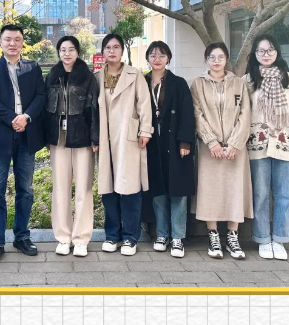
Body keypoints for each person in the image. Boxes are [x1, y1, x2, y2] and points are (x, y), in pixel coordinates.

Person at [0, 24, 47, 263]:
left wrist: (25, 117)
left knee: (25, 190)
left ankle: (22, 236)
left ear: (22, 42)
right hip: (1, 135)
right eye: (8, 39)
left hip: (27, 135)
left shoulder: (33, 67)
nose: (12, 43)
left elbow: (41, 95)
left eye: (17, 39)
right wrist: (12, 118)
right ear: (0, 42)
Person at [244, 34, 289, 261]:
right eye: (261, 51)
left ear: (277, 52)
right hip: (257, 145)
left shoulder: (288, 79)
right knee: (260, 195)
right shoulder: (247, 80)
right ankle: (263, 239)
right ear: (255, 54)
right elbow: (242, 114)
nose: (266, 54)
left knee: (284, 195)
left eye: (270, 50)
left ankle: (280, 239)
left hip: (285, 144)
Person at [190, 42, 253, 260]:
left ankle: (233, 236)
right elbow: (197, 114)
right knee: (210, 191)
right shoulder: (197, 84)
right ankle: (213, 235)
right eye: (212, 57)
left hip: (236, 149)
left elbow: (245, 114)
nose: (216, 61)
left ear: (227, 60)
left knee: (235, 190)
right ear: (206, 60)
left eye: (220, 57)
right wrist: (211, 142)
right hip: (210, 149)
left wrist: (235, 143)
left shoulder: (239, 83)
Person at [95, 33, 153, 256]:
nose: (112, 51)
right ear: (103, 51)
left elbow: (144, 104)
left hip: (128, 138)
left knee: (130, 188)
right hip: (105, 138)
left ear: (122, 51)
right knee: (108, 188)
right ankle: (112, 236)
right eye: (108, 47)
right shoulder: (96, 77)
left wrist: (145, 131)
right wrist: (93, 137)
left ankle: (130, 237)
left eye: (116, 47)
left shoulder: (134, 75)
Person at [43, 36, 99, 258]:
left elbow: (94, 109)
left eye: (71, 49)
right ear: (58, 53)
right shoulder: (51, 76)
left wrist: (95, 139)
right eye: (63, 50)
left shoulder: (88, 77)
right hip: (58, 139)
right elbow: (45, 110)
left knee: (84, 188)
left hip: (82, 138)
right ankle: (63, 237)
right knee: (60, 188)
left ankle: (81, 239)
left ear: (78, 52)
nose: (67, 54)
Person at [144, 41, 196, 258]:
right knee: (158, 192)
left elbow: (187, 113)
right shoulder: (142, 82)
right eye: (153, 55)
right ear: (147, 58)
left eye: (162, 55)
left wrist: (185, 142)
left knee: (178, 191)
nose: (157, 59)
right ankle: (161, 234)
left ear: (169, 59)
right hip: (151, 143)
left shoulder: (178, 83)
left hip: (175, 144)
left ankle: (177, 237)